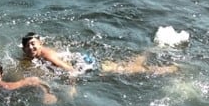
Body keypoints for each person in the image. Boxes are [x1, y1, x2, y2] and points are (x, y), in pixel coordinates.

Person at [21, 32, 178, 76]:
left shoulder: (47, 55)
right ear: (23, 49)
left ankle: (168, 69)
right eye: (27, 46)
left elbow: (69, 68)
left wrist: (72, 85)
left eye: (33, 44)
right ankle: (149, 51)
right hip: (82, 58)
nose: (31, 48)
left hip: (86, 64)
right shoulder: (33, 55)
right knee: (127, 65)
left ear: (40, 44)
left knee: (127, 71)